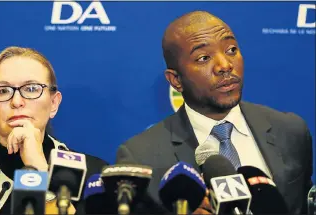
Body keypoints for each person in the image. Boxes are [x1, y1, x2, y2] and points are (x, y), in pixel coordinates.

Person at [116, 11, 313, 214]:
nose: (225, 65)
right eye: (203, 58)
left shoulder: (290, 131)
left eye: (231, 50)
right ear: (175, 80)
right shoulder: (141, 158)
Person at [0, 46, 108, 214]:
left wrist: (40, 170)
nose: (16, 101)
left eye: (31, 89)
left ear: (53, 103)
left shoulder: (92, 175)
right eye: (3, 91)